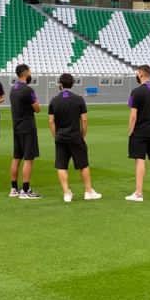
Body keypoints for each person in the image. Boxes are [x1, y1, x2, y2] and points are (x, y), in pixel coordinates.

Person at [48, 73, 102, 203]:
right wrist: (83, 134)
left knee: (61, 166)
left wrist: (55, 135)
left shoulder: (54, 100)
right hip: (75, 136)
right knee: (83, 164)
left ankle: (67, 193)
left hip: (61, 137)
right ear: (72, 84)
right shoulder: (79, 99)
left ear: (60, 84)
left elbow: (51, 121)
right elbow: (84, 119)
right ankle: (88, 191)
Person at [125, 64, 150, 202]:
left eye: (137, 73)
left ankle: (138, 193)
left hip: (140, 131)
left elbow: (133, 115)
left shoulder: (136, 92)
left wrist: (130, 130)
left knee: (140, 160)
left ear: (141, 73)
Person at [8, 63, 41, 199]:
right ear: (25, 72)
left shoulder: (13, 89)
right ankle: (25, 189)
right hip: (27, 126)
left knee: (17, 157)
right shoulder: (28, 90)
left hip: (16, 126)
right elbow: (37, 108)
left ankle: (14, 188)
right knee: (28, 158)